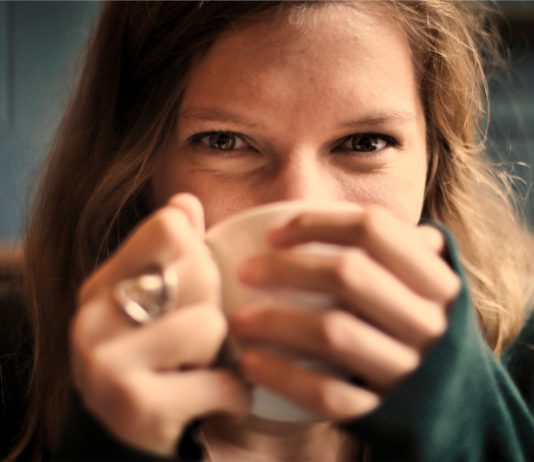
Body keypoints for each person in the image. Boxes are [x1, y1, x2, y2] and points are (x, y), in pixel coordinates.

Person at [2, 1, 533, 461]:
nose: (299, 207)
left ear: (434, 161)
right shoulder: (12, 374)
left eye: (366, 142)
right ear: (138, 166)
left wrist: (462, 432)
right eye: (226, 141)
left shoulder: (521, 376)